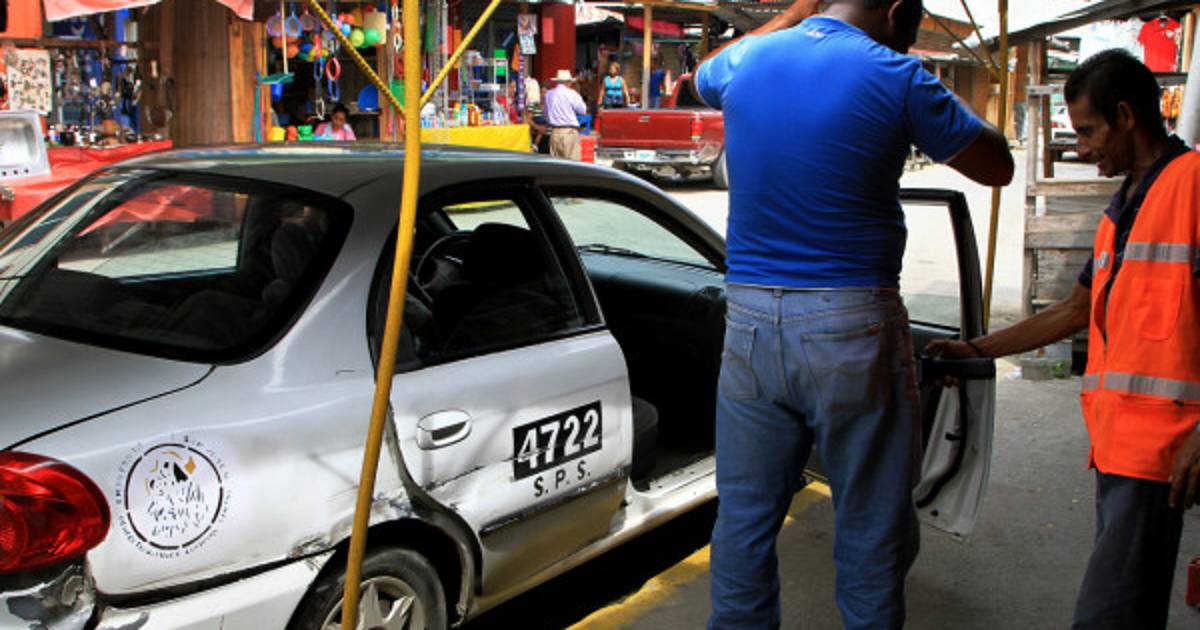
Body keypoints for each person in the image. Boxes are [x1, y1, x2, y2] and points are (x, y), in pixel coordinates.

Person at [694, 0, 1013, 628]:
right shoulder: (898, 75)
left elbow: (703, 75)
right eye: (912, 25)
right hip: (852, 326)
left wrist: (795, 12)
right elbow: (996, 164)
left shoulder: (748, 58)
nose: (910, 38)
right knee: (870, 522)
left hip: (750, 321)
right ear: (895, 11)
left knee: (744, 518)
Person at [927, 49, 1200, 630]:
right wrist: (976, 350)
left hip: (1162, 446)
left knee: (1110, 612)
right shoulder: (1125, 204)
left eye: (1088, 131)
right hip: (1120, 444)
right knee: (1129, 604)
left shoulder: (1192, 185)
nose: (1082, 148)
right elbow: (1076, 309)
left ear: (1125, 116)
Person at [543, 69, 586, 160]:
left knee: (557, 165)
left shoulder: (548, 94)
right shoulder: (572, 94)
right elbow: (582, 110)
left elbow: (546, 115)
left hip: (554, 132)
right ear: (568, 82)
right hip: (569, 132)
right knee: (573, 164)